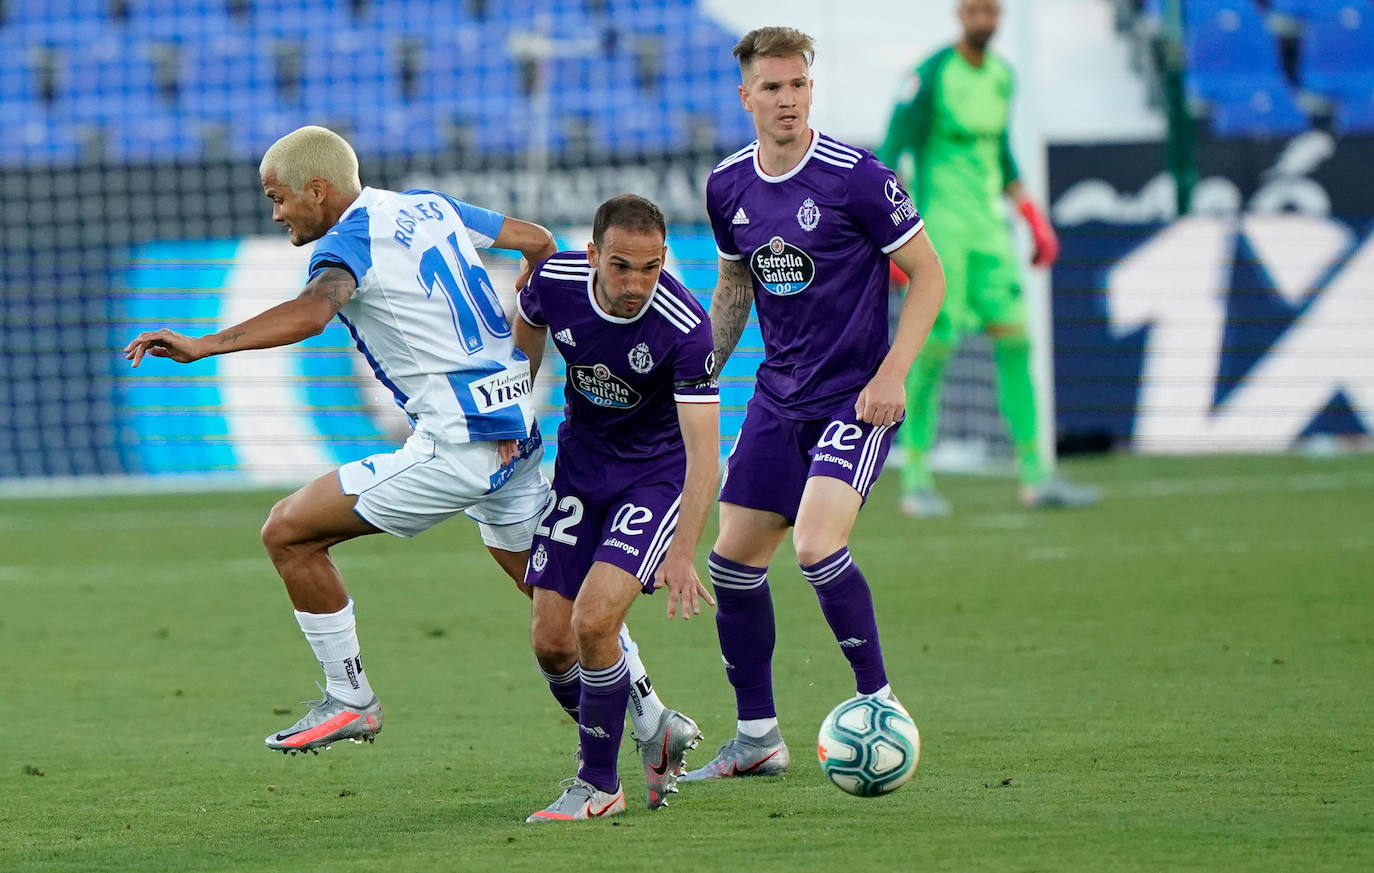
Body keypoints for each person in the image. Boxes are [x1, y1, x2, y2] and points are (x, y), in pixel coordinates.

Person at [122, 125, 671, 757]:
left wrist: (204, 343)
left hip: (457, 451)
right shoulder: (425, 205)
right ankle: (654, 718)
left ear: (318, 189)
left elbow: (310, 313)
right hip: (513, 436)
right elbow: (537, 241)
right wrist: (517, 361)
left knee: (288, 534)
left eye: (280, 198)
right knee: (557, 604)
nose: (276, 213)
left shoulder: (347, 242)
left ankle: (349, 696)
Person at [682, 27, 946, 782]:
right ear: (747, 98)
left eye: (798, 85)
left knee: (815, 546)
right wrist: (698, 373)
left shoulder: (857, 177)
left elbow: (927, 277)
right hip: (777, 398)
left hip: (854, 400)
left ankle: (879, 704)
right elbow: (735, 290)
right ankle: (758, 736)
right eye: (772, 88)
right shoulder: (727, 185)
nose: (788, 99)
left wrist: (892, 374)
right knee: (732, 563)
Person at [513, 195, 719, 821]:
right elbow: (528, 327)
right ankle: (652, 729)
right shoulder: (557, 280)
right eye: (623, 267)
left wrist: (683, 551)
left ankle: (599, 785)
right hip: (579, 473)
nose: (637, 285)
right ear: (594, 254)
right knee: (552, 643)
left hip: (654, 481)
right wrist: (518, 401)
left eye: (651, 268)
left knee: (595, 623)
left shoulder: (684, 327)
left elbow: (705, 454)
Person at [878, 0, 1100, 517]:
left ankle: (1035, 474)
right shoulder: (929, 76)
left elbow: (1001, 154)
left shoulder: (1003, 76)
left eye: (992, 11)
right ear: (959, 13)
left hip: (991, 233)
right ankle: (914, 477)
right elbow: (890, 156)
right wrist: (890, 243)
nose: (986, 20)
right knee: (934, 347)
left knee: (1018, 339)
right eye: (977, 11)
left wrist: (1032, 216)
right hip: (940, 234)